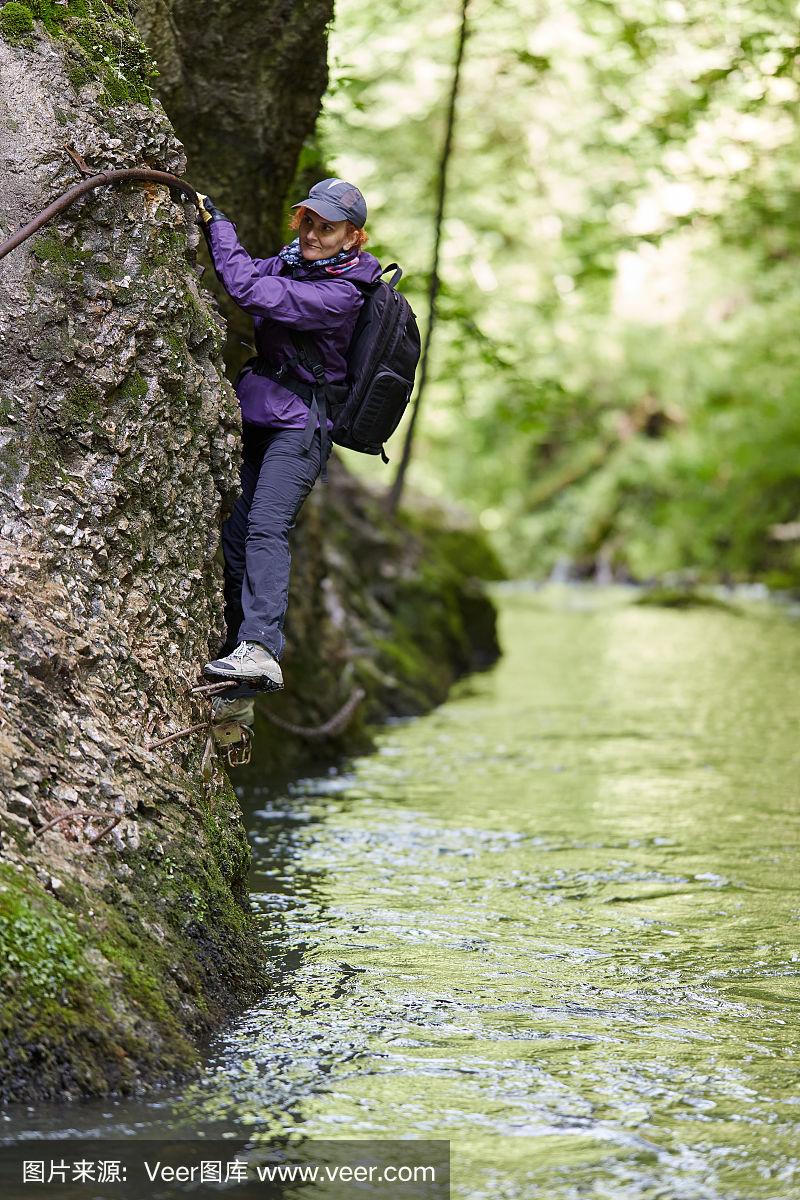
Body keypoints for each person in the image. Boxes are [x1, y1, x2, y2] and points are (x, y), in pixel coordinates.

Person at [197, 178, 382, 705]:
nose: (314, 234)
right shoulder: (293, 262)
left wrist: (219, 226)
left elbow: (248, 291)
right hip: (264, 412)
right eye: (309, 222)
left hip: (302, 426)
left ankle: (261, 648)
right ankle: (236, 683)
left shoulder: (340, 293)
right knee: (235, 539)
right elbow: (254, 274)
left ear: (352, 237)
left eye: (328, 228)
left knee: (267, 525)